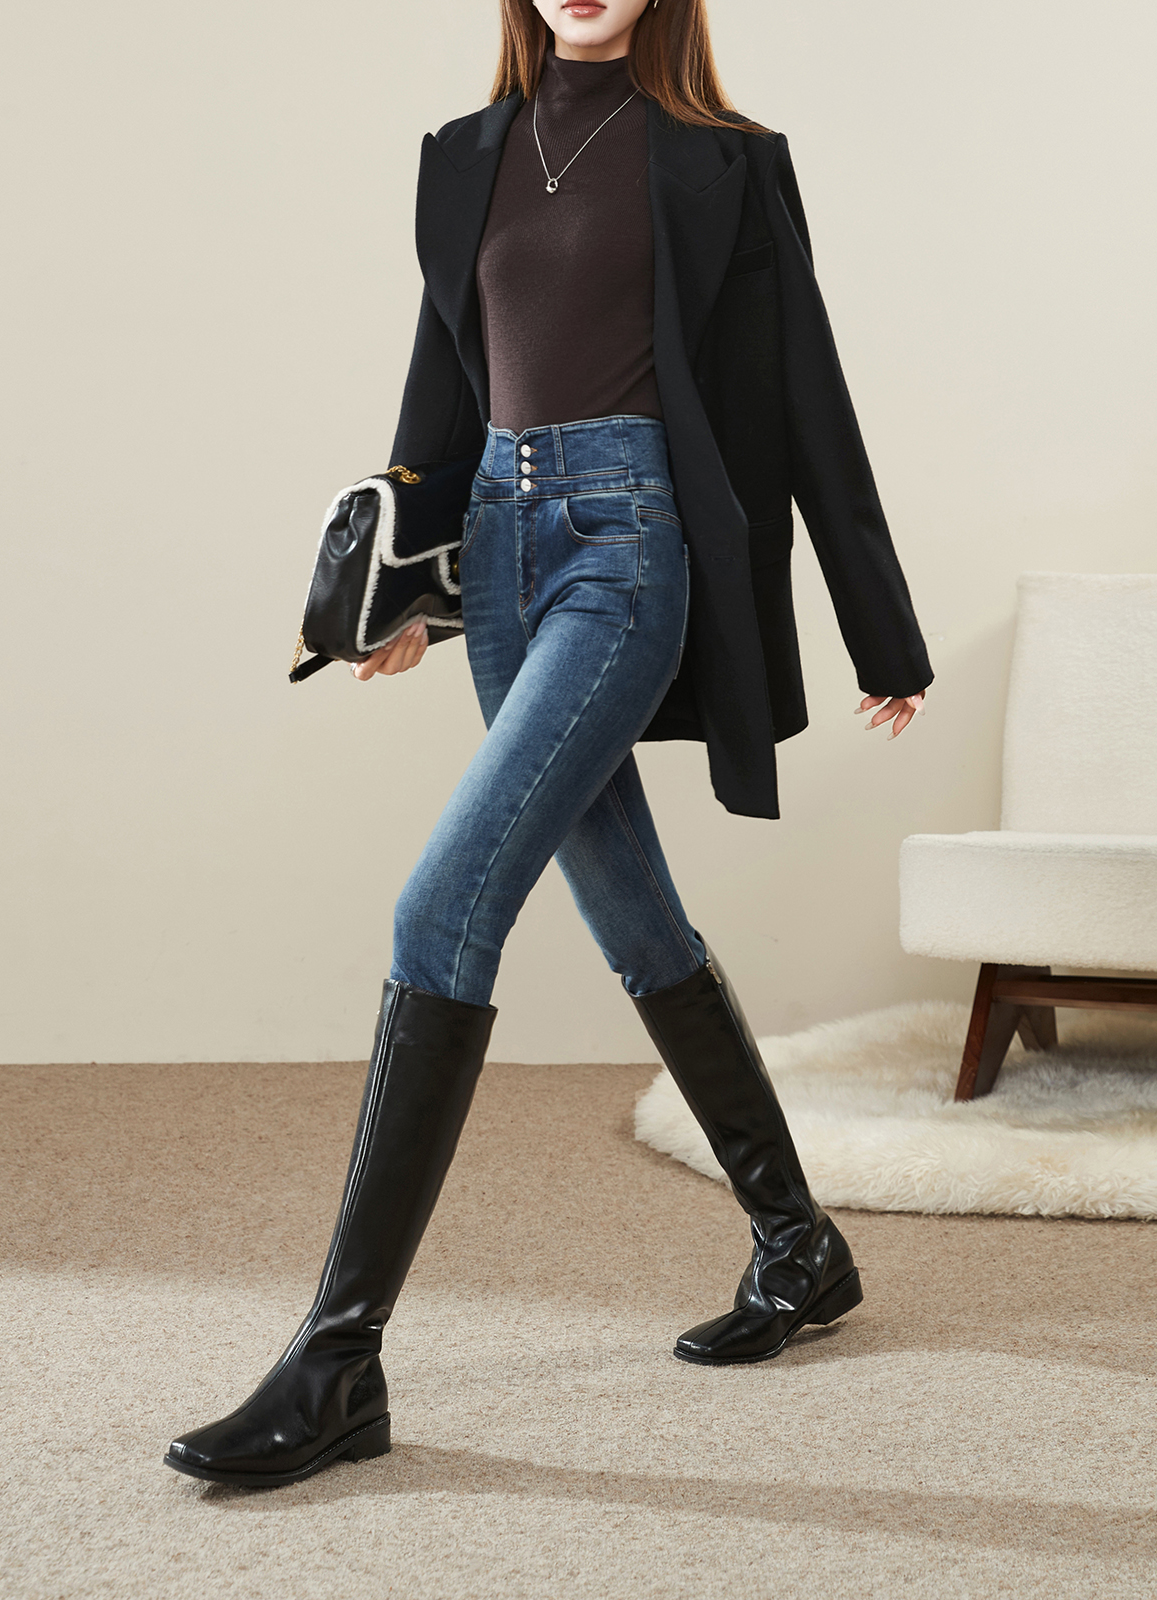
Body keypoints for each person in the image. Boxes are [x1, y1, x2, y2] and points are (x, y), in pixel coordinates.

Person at [165, 0, 932, 1488]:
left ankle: (337, 1364)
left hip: (628, 548)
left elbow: (808, 392)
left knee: (441, 909)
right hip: (504, 556)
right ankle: (799, 1244)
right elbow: (442, 381)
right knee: (632, 914)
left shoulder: (725, 158)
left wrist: (881, 630)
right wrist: (399, 585)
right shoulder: (465, 153)